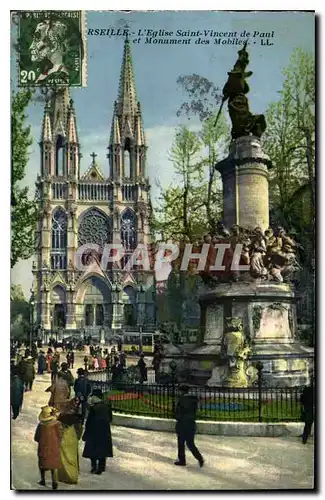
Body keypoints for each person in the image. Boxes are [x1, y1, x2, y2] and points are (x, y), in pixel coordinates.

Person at [82, 389, 113, 475]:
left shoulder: (93, 408)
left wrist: (86, 433)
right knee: (103, 450)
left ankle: (94, 467)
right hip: (104, 431)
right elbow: (110, 418)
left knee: (93, 450)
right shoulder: (107, 406)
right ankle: (101, 467)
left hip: (94, 432)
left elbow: (89, 421)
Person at [174, 385, 204, 468]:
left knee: (181, 443)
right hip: (191, 424)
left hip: (182, 424)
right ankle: (199, 458)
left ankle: (182, 460)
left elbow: (178, 413)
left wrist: (177, 417)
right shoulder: (193, 400)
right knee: (190, 443)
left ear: (181, 391)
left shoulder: (181, 400)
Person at [34, 405, 62, 490]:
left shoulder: (41, 425)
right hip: (54, 446)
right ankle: (54, 482)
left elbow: (36, 437)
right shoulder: (57, 424)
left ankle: (43, 480)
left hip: (43, 447)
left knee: (43, 463)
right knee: (53, 464)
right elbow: (59, 435)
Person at [57, 399, 83, 484]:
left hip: (65, 438)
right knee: (72, 458)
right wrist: (78, 437)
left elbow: (58, 427)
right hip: (73, 439)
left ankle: (65, 476)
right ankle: (73, 476)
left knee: (64, 457)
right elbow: (79, 428)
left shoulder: (63, 415)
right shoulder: (77, 416)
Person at [300, 379, 314, 444]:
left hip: (309, 409)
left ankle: (304, 439)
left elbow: (302, 400)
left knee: (308, 425)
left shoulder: (306, 390)